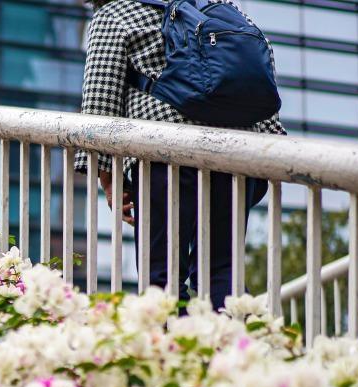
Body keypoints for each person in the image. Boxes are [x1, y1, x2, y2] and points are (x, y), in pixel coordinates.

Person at [76, 0, 285, 309]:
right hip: (233, 153)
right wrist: (268, 152)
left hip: (164, 154)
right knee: (221, 270)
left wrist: (109, 180)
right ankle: (221, 348)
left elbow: (99, 103)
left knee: (162, 275)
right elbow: (255, 74)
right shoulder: (220, 5)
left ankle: (171, 349)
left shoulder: (115, 12)